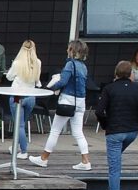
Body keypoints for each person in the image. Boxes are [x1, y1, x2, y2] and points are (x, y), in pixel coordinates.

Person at [96, 60, 138, 190]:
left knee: (114, 168)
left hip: (114, 131)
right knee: (116, 159)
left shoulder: (109, 89)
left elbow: (99, 111)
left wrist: (105, 124)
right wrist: (136, 120)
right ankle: (113, 188)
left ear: (116, 73)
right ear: (131, 74)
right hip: (132, 132)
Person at [29, 40, 92, 172]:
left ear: (73, 51)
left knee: (55, 130)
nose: (67, 50)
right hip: (81, 101)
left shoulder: (70, 64)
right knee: (78, 133)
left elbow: (63, 81)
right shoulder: (84, 67)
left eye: (69, 48)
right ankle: (85, 161)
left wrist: (50, 88)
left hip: (67, 100)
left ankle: (44, 158)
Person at [5, 39, 43, 156]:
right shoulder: (38, 62)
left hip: (17, 96)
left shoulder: (17, 63)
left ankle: (24, 151)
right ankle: (16, 146)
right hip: (31, 96)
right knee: (22, 124)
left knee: (19, 125)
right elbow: (38, 82)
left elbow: (9, 77)